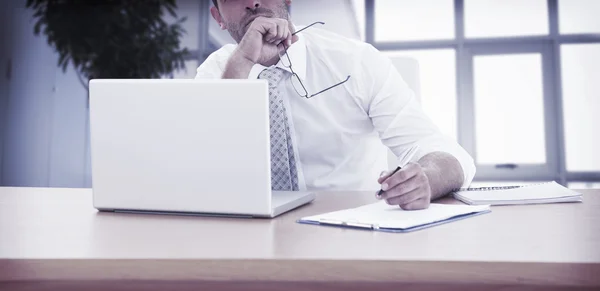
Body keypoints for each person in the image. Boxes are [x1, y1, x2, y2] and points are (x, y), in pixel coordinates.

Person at [195, 0, 476, 210]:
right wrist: (243, 62)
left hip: (350, 231)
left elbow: (441, 149)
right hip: (248, 234)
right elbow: (203, 164)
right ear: (218, 17)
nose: (253, 2)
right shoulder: (217, 71)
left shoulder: (357, 61)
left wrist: (426, 177)